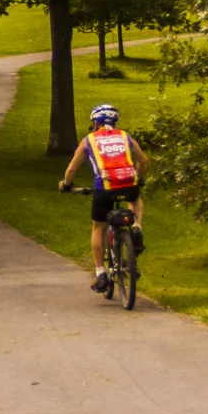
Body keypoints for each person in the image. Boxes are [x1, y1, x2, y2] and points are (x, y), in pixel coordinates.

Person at [58, 103, 146, 294]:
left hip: (104, 188)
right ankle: (136, 228)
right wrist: (138, 178)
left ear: (95, 123)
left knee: (98, 227)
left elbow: (72, 168)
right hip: (129, 183)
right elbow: (143, 161)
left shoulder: (89, 140)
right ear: (115, 121)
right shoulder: (125, 136)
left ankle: (100, 274)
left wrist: (66, 184)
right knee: (136, 199)